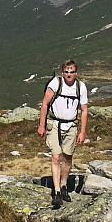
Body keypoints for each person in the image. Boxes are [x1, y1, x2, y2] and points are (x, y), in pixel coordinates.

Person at [37, 59, 88, 209]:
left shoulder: (81, 87)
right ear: (63, 72)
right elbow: (45, 103)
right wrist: (41, 125)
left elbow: (84, 110)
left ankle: (64, 184)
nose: (69, 74)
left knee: (67, 157)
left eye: (72, 72)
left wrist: (82, 131)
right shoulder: (55, 84)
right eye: (66, 72)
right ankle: (57, 191)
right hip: (54, 124)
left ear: (76, 73)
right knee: (56, 156)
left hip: (71, 125)